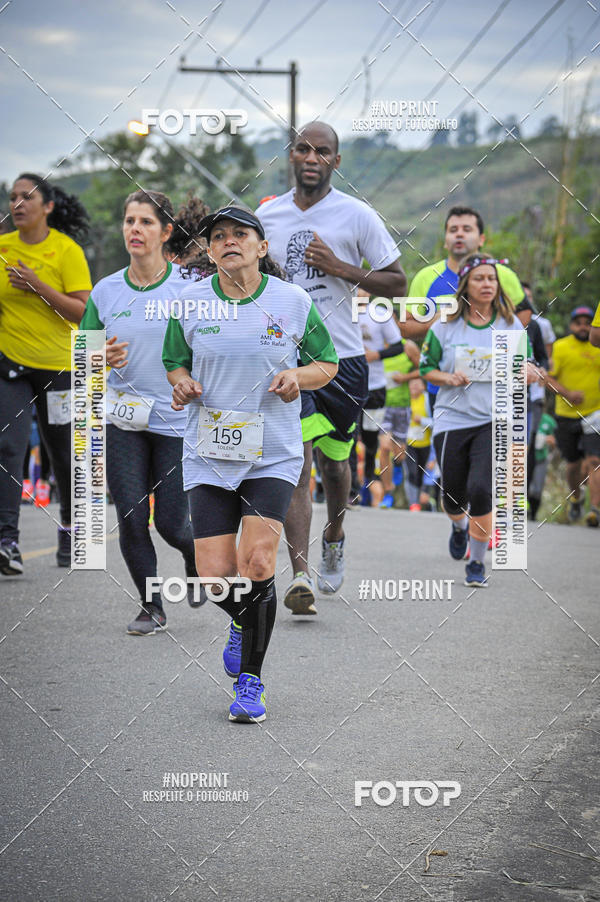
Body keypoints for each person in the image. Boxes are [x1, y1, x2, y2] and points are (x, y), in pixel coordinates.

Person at [162, 206, 338, 722]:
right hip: (209, 452)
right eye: (219, 236)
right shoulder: (189, 303)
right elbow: (174, 362)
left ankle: (251, 684)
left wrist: (296, 380)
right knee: (214, 575)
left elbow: (326, 364)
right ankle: (242, 618)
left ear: (262, 248)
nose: (229, 241)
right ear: (210, 250)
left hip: (272, 452)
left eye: (241, 234)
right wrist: (181, 384)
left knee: (258, 563)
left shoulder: (292, 301)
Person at [257, 121, 406, 612]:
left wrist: (341, 267)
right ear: (292, 155)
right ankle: (300, 575)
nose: (312, 157)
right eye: (303, 148)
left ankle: (335, 533)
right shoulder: (269, 217)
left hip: (342, 359)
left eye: (323, 151)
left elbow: (397, 282)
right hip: (288, 358)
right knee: (297, 462)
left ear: (335, 162)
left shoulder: (356, 216)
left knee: (335, 465)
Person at [79, 189, 199, 634]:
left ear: (166, 232)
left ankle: (192, 555)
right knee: (130, 515)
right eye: (129, 221)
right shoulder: (105, 291)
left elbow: (205, 348)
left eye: (146, 222)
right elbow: (82, 357)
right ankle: (152, 606)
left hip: (175, 422)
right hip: (122, 421)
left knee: (172, 525)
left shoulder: (189, 290)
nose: (135, 229)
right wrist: (96, 358)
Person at [420, 253, 539, 587]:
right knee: (453, 494)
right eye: (479, 279)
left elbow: (526, 367)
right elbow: (425, 369)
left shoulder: (510, 324)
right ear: (465, 286)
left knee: (481, 488)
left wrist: (526, 371)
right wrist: (450, 378)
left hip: (493, 418)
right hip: (452, 418)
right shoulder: (444, 326)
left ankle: (476, 561)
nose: (487, 284)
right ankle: (459, 526)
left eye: (492, 278)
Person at [0, 173, 92, 574]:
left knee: (66, 456)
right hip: (11, 366)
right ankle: (7, 542)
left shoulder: (66, 250)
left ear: (48, 206)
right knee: (8, 449)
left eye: (27, 197)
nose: (18, 204)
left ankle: (72, 533)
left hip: (60, 368)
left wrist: (38, 286)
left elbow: (84, 313)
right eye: (12, 198)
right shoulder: (2, 248)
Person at [403, 206, 525, 414]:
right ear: (445, 240)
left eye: (467, 229)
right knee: (447, 445)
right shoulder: (426, 277)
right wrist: (441, 320)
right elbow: (405, 328)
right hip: (444, 386)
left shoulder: (503, 275)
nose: (459, 234)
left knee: (497, 446)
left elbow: (523, 317)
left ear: (481, 239)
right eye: (453, 230)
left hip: (497, 388)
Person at [546, 306, 600, 527]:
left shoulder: (598, 346)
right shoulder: (560, 347)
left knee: (595, 461)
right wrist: (567, 393)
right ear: (571, 326)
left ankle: (595, 510)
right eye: (578, 322)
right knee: (573, 465)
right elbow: (547, 378)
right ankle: (576, 498)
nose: (583, 326)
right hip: (566, 414)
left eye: (588, 322)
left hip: (595, 412)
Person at [355, 289, 405, 506]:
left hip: (375, 387)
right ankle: (349, 488)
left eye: (363, 287)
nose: (358, 291)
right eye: (354, 286)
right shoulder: (338, 310)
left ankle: (369, 480)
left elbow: (398, 347)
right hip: (344, 385)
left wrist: (376, 355)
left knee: (370, 436)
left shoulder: (380, 313)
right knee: (346, 436)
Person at [379, 335, 421, 508]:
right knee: (384, 446)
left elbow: (425, 369)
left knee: (399, 454)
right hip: (382, 405)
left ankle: (396, 472)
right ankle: (388, 491)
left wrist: (405, 378)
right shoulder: (375, 347)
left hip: (402, 406)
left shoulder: (408, 346)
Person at [404, 378, 433, 511]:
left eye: (417, 384)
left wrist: (421, 420)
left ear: (423, 386)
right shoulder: (405, 400)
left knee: (424, 473)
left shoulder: (427, 399)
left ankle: (426, 503)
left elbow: (436, 422)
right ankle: (413, 503)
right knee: (412, 472)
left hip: (426, 444)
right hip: (409, 444)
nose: (414, 387)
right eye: (412, 384)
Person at [528, 406, 557, 521]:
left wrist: (550, 440)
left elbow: (557, 440)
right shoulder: (524, 417)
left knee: (537, 489)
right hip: (525, 457)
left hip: (541, 458)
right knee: (525, 486)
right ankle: (523, 512)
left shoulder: (548, 421)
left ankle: (533, 514)